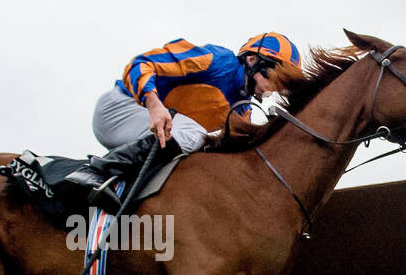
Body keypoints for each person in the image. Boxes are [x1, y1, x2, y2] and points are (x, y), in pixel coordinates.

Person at [69, 32, 304, 212]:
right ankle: (96, 172)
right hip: (118, 109)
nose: (277, 89)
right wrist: (154, 104)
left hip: (149, 131)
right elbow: (140, 64)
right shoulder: (219, 60)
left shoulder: (243, 108)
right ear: (252, 60)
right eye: (276, 78)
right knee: (196, 135)